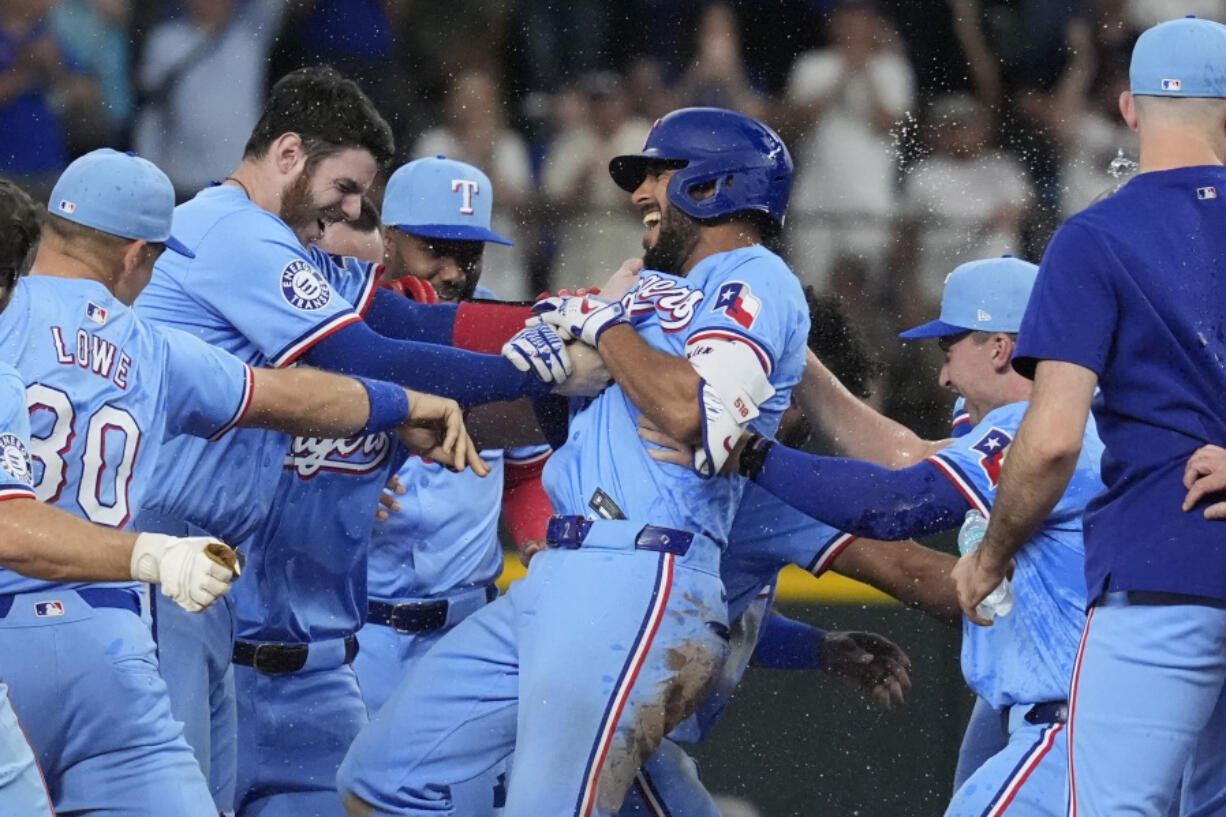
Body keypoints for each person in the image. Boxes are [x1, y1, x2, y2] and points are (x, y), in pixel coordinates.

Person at [134, 66, 584, 816]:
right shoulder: (232, 234)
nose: (348, 213)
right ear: (287, 153)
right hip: (175, 586)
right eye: (345, 192)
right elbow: (371, 356)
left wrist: (575, 329)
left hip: (299, 655)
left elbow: (412, 328)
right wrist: (545, 356)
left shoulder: (310, 258)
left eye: (360, 202)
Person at [338, 106, 810, 817]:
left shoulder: (755, 276)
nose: (639, 194)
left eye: (658, 174)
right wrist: (522, 371)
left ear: (714, 187)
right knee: (380, 775)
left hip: (638, 568)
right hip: (555, 574)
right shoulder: (653, 294)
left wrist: (602, 322)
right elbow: (539, 415)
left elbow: (690, 412)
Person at [0, 148, 477, 816]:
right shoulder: (149, 344)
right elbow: (286, 394)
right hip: (106, 645)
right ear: (137, 254)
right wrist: (406, 402)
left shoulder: (7, 319)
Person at [709, 257, 1102, 817]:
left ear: (1000, 348)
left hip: (1071, 715)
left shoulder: (1045, 431)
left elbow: (893, 504)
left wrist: (747, 451)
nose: (942, 377)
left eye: (950, 352)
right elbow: (905, 458)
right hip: (1041, 707)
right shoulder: (1041, 426)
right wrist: (800, 354)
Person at [952, 17, 1226, 817]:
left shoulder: (1095, 236)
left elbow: (1052, 440)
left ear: (1130, 109)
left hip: (1162, 566)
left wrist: (992, 553)